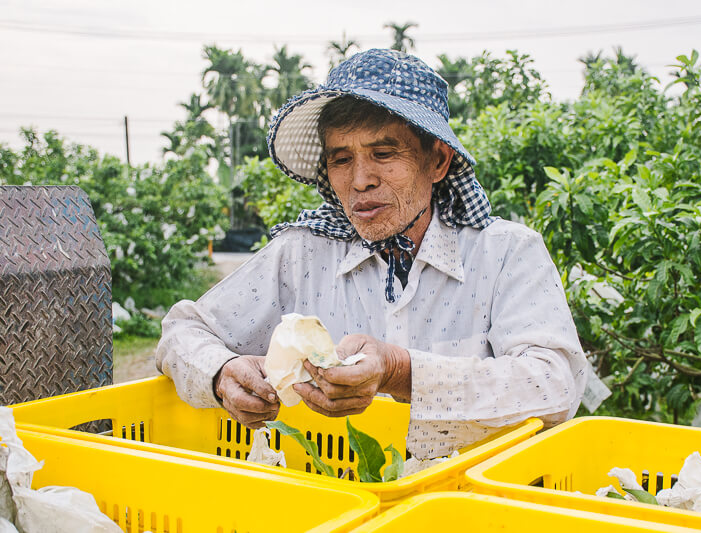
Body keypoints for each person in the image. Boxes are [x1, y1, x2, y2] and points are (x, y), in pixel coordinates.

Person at [156, 48, 587, 459]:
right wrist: (222, 374)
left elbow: (556, 384)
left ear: (437, 161)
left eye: (384, 153)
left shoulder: (506, 253)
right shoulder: (303, 254)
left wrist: (401, 371)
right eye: (341, 159)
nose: (361, 180)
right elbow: (182, 331)